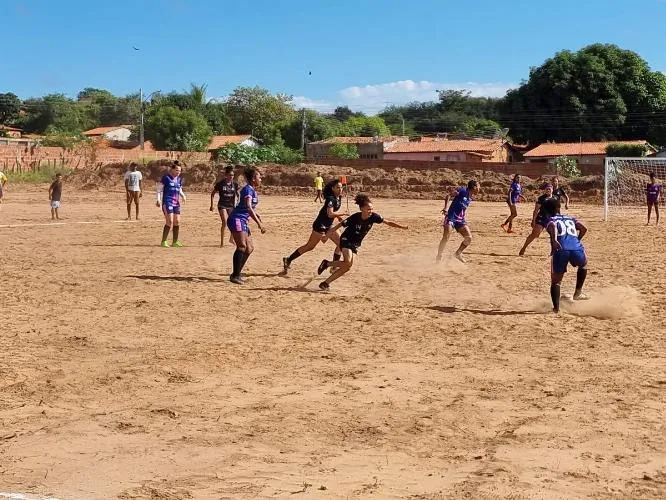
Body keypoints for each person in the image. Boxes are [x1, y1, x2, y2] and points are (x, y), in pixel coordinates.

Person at [316, 194, 408, 291]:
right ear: (362, 209)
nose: (371, 211)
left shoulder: (374, 217)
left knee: (348, 266)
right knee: (348, 261)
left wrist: (401, 227)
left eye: (372, 209)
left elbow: (388, 222)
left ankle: (325, 282)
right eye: (368, 209)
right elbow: (338, 226)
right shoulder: (355, 217)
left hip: (356, 244)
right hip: (346, 239)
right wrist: (327, 235)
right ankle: (327, 264)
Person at [282, 179, 347, 274]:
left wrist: (338, 217)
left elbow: (331, 214)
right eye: (338, 187)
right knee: (309, 246)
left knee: (341, 243)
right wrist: (342, 214)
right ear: (333, 189)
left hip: (329, 225)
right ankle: (288, 259)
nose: (340, 189)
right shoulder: (330, 199)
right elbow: (329, 213)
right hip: (320, 225)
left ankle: (333, 267)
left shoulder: (338, 198)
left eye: (341, 187)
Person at [542, 197, 588, 313]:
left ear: (546, 211)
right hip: (576, 249)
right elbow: (583, 228)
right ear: (559, 208)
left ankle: (556, 308)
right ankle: (578, 292)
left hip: (560, 249)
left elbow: (552, 226)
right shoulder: (570, 218)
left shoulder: (550, 219)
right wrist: (577, 240)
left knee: (556, 281)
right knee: (583, 264)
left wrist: (554, 240)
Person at [228, 167, 266, 285]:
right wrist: (259, 224)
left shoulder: (252, 190)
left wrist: (256, 214)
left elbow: (248, 207)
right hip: (237, 219)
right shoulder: (248, 190)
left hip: (242, 220)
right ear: (254, 179)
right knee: (242, 246)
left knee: (249, 248)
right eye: (259, 177)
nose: (261, 179)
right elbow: (248, 207)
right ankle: (235, 275)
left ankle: (237, 272)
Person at [437, 180, 480, 263]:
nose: (479, 189)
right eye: (478, 187)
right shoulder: (462, 190)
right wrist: (445, 208)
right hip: (451, 217)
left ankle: (457, 254)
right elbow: (448, 196)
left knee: (469, 238)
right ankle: (439, 256)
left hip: (460, 220)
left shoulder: (470, 196)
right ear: (474, 187)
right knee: (446, 238)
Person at [519, 183, 557, 256]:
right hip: (541, 218)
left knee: (553, 235)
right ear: (545, 190)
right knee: (535, 234)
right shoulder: (541, 198)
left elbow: (557, 210)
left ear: (552, 190)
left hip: (550, 219)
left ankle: (553, 251)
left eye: (550, 189)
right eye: (547, 189)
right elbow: (536, 210)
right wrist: (533, 220)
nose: (548, 190)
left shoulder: (555, 198)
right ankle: (524, 247)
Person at [156, 162, 186, 248]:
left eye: (180, 171)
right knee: (170, 221)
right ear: (172, 170)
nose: (178, 172)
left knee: (177, 221)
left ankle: (175, 241)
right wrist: (158, 199)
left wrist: (183, 195)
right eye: (176, 170)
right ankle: (164, 241)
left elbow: (179, 189)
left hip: (176, 202)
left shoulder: (179, 179)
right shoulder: (166, 178)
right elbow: (159, 189)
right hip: (167, 201)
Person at [210, 165, 239, 247]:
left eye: (232, 175)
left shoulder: (235, 184)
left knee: (234, 222)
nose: (231, 177)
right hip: (222, 204)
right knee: (225, 222)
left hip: (231, 205)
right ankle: (222, 242)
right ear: (226, 175)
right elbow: (212, 194)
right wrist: (212, 205)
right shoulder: (221, 184)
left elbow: (238, 194)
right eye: (230, 175)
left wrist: (238, 202)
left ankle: (231, 239)